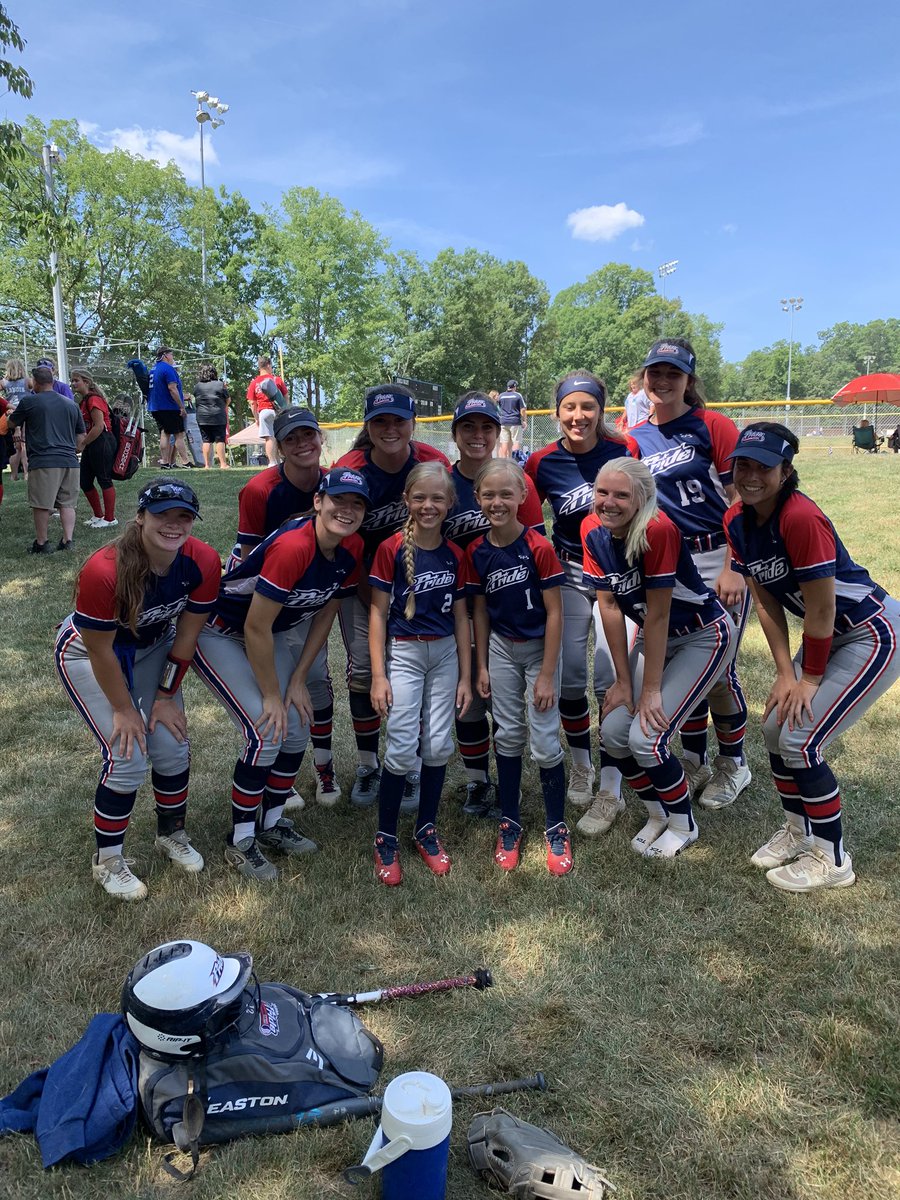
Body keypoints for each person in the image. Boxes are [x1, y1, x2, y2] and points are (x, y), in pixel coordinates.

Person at [724, 423, 900, 891]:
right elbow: (764, 600)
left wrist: (811, 679)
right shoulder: (737, 519)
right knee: (772, 726)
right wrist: (785, 673)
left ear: (787, 470)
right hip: (830, 634)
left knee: (801, 739)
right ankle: (798, 830)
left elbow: (821, 609)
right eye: (744, 463)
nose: (751, 474)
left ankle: (832, 857)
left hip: (870, 632)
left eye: (764, 465)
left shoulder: (799, 517)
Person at [193, 468, 368, 882]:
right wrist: (273, 695)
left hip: (270, 635)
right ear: (318, 502)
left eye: (356, 504)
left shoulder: (351, 546)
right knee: (267, 727)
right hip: (222, 632)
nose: (346, 510)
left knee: (296, 727)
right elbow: (253, 626)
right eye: (338, 500)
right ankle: (240, 839)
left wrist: (296, 681)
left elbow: (327, 611)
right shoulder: (295, 546)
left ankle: (270, 824)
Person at [53, 478, 221, 900]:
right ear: (141, 516)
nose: (173, 525)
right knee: (127, 753)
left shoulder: (201, 560)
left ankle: (172, 834)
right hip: (91, 655)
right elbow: (100, 651)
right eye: (163, 514)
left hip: (151, 649)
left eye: (184, 516)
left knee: (171, 742)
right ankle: (107, 860)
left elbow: (185, 636)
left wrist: (164, 697)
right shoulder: (104, 568)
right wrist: (126, 710)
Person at [583, 459, 736, 858]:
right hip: (657, 639)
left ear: (643, 498)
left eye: (621, 494)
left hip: (702, 635)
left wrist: (649, 690)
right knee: (615, 732)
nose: (609, 502)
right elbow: (611, 608)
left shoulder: (658, 529)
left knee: (647, 737)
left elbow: (660, 614)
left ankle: (684, 824)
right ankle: (657, 813)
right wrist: (622, 679)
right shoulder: (591, 531)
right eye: (602, 492)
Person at [626, 338, 751, 813]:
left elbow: (742, 501)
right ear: (643, 378)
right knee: (685, 661)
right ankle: (695, 759)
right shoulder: (634, 435)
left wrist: (734, 566)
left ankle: (734, 763)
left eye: (672, 374)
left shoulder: (711, 424)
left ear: (688, 381)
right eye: (654, 372)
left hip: (717, 555)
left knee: (719, 669)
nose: (662, 381)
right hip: (666, 565)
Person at [334, 384, 450, 807]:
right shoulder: (351, 467)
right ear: (367, 425)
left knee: (416, 671)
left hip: (422, 582)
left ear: (412, 423)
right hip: (362, 581)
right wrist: (377, 596)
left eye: (397, 420)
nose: (389, 428)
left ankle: (413, 765)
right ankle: (368, 765)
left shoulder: (432, 462)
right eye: (379, 420)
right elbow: (340, 537)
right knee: (365, 670)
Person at [524, 370, 631, 812]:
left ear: (601, 411)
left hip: (616, 575)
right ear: (557, 412)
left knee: (610, 676)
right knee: (568, 673)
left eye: (587, 406)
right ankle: (582, 764)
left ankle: (611, 781)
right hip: (568, 572)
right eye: (570, 406)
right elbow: (528, 522)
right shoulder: (542, 461)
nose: (578, 415)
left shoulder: (623, 451)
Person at [465, 459, 572, 875]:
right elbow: (480, 613)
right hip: (501, 649)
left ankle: (555, 824)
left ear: (523, 497)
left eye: (506, 494)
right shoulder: (477, 550)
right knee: (508, 732)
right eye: (488, 495)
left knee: (544, 739)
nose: (497, 502)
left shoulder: (538, 547)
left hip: (539, 648)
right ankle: (510, 819)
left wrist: (547, 674)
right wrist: (482, 665)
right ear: (477, 499)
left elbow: (556, 613)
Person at [368, 463, 471, 885]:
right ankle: (386, 836)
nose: (429, 506)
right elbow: (376, 613)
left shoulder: (456, 553)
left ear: (450, 504)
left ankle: (426, 827)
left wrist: (466, 675)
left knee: (439, 743)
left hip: (446, 653)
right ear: (407, 500)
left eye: (438, 498)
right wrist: (378, 674)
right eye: (420, 498)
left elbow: (462, 617)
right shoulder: (391, 548)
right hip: (406, 653)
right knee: (400, 745)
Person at [231, 406, 338, 808]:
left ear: (320, 437)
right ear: (278, 445)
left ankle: (324, 766)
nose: (302, 444)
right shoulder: (261, 489)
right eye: (291, 438)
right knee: (275, 685)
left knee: (314, 679)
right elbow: (248, 562)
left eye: (308, 435)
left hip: (314, 596)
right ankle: (282, 773)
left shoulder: (333, 486)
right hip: (272, 598)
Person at [444, 392, 545, 817]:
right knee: (467, 700)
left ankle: (510, 781)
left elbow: (534, 547)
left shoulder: (517, 481)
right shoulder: (443, 483)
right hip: (455, 605)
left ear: (498, 431)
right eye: (468, 427)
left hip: (505, 609)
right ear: (455, 434)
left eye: (486, 427)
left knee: (504, 699)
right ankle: (476, 781)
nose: (478, 435)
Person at [8, 365, 85, 553]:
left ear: (35, 382)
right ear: (51, 380)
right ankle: (68, 541)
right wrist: (71, 450)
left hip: (44, 461)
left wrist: (10, 415)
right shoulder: (71, 404)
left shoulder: (29, 402)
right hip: (70, 462)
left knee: (41, 504)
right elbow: (81, 437)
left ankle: (42, 543)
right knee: (67, 503)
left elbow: (11, 423)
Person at [71, 369, 118, 529]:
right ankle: (98, 515)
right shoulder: (84, 401)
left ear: (87, 382)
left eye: (76, 380)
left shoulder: (93, 399)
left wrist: (83, 444)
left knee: (104, 479)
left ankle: (110, 518)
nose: (73, 383)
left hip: (102, 441)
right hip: (93, 442)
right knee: (85, 480)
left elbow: (99, 426)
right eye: (72, 380)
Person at [148, 347, 191, 469]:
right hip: (169, 407)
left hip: (155, 407)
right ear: (166, 355)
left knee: (164, 433)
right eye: (172, 355)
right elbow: (172, 388)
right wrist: (181, 406)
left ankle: (165, 462)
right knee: (178, 434)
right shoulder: (168, 369)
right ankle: (185, 462)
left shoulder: (153, 369)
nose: (173, 357)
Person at [246, 356, 288, 467]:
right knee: (280, 436)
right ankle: (283, 461)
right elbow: (286, 396)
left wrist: (256, 417)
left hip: (264, 411)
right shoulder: (277, 380)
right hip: (279, 411)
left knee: (269, 437)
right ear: (268, 365)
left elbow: (252, 402)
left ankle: (273, 463)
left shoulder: (254, 383)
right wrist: (286, 409)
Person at [193, 363, 231, 469]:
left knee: (206, 440)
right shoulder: (219, 384)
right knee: (220, 439)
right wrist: (222, 407)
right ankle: (223, 464)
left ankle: (207, 465)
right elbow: (228, 399)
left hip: (202, 416)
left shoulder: (197, 386)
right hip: (218, 415)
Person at [1, 358, 28, 480]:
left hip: (11, 414)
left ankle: (14, 475)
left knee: (15, 446)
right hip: (26, 413)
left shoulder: (4, 382)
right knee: (25, 444)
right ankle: (27, 473)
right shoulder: (28, 381)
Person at [496, 379, 527, 459]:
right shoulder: (517, 395)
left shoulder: (501, 396)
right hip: (515, 422)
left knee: (504, 443)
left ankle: (503, 462)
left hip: (503, 422)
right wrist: (524, 421)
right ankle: (515, 461)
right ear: (514, 387)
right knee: (516, 442)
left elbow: (497, 408)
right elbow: (523, 409)